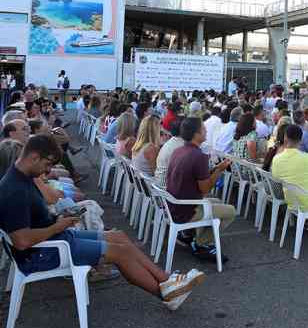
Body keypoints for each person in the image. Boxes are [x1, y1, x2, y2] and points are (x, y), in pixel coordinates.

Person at [0, 134, 205, 310]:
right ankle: (167, 296)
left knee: (118, 236)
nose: (46, 171)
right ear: (34, 157)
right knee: (121, 252)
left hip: (54, 239)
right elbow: (21, 241)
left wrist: (59, 222)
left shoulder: (22, 178)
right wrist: (56, 226)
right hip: (43, 253)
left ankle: (167, 280)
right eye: (46, 164)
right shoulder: (14, 190)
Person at [166, 117, 235, 261]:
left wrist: (216, 168)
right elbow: (205, 189)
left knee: (216, 201)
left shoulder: (178, 150)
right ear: (196, 134)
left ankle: (189, 234)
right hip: (186, 209)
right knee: (230, 212)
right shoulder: (198, 156)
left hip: (174, 205)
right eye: (204, 129)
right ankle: (201, 244)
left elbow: (196, 177)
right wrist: (219, 171)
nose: (206, 131)